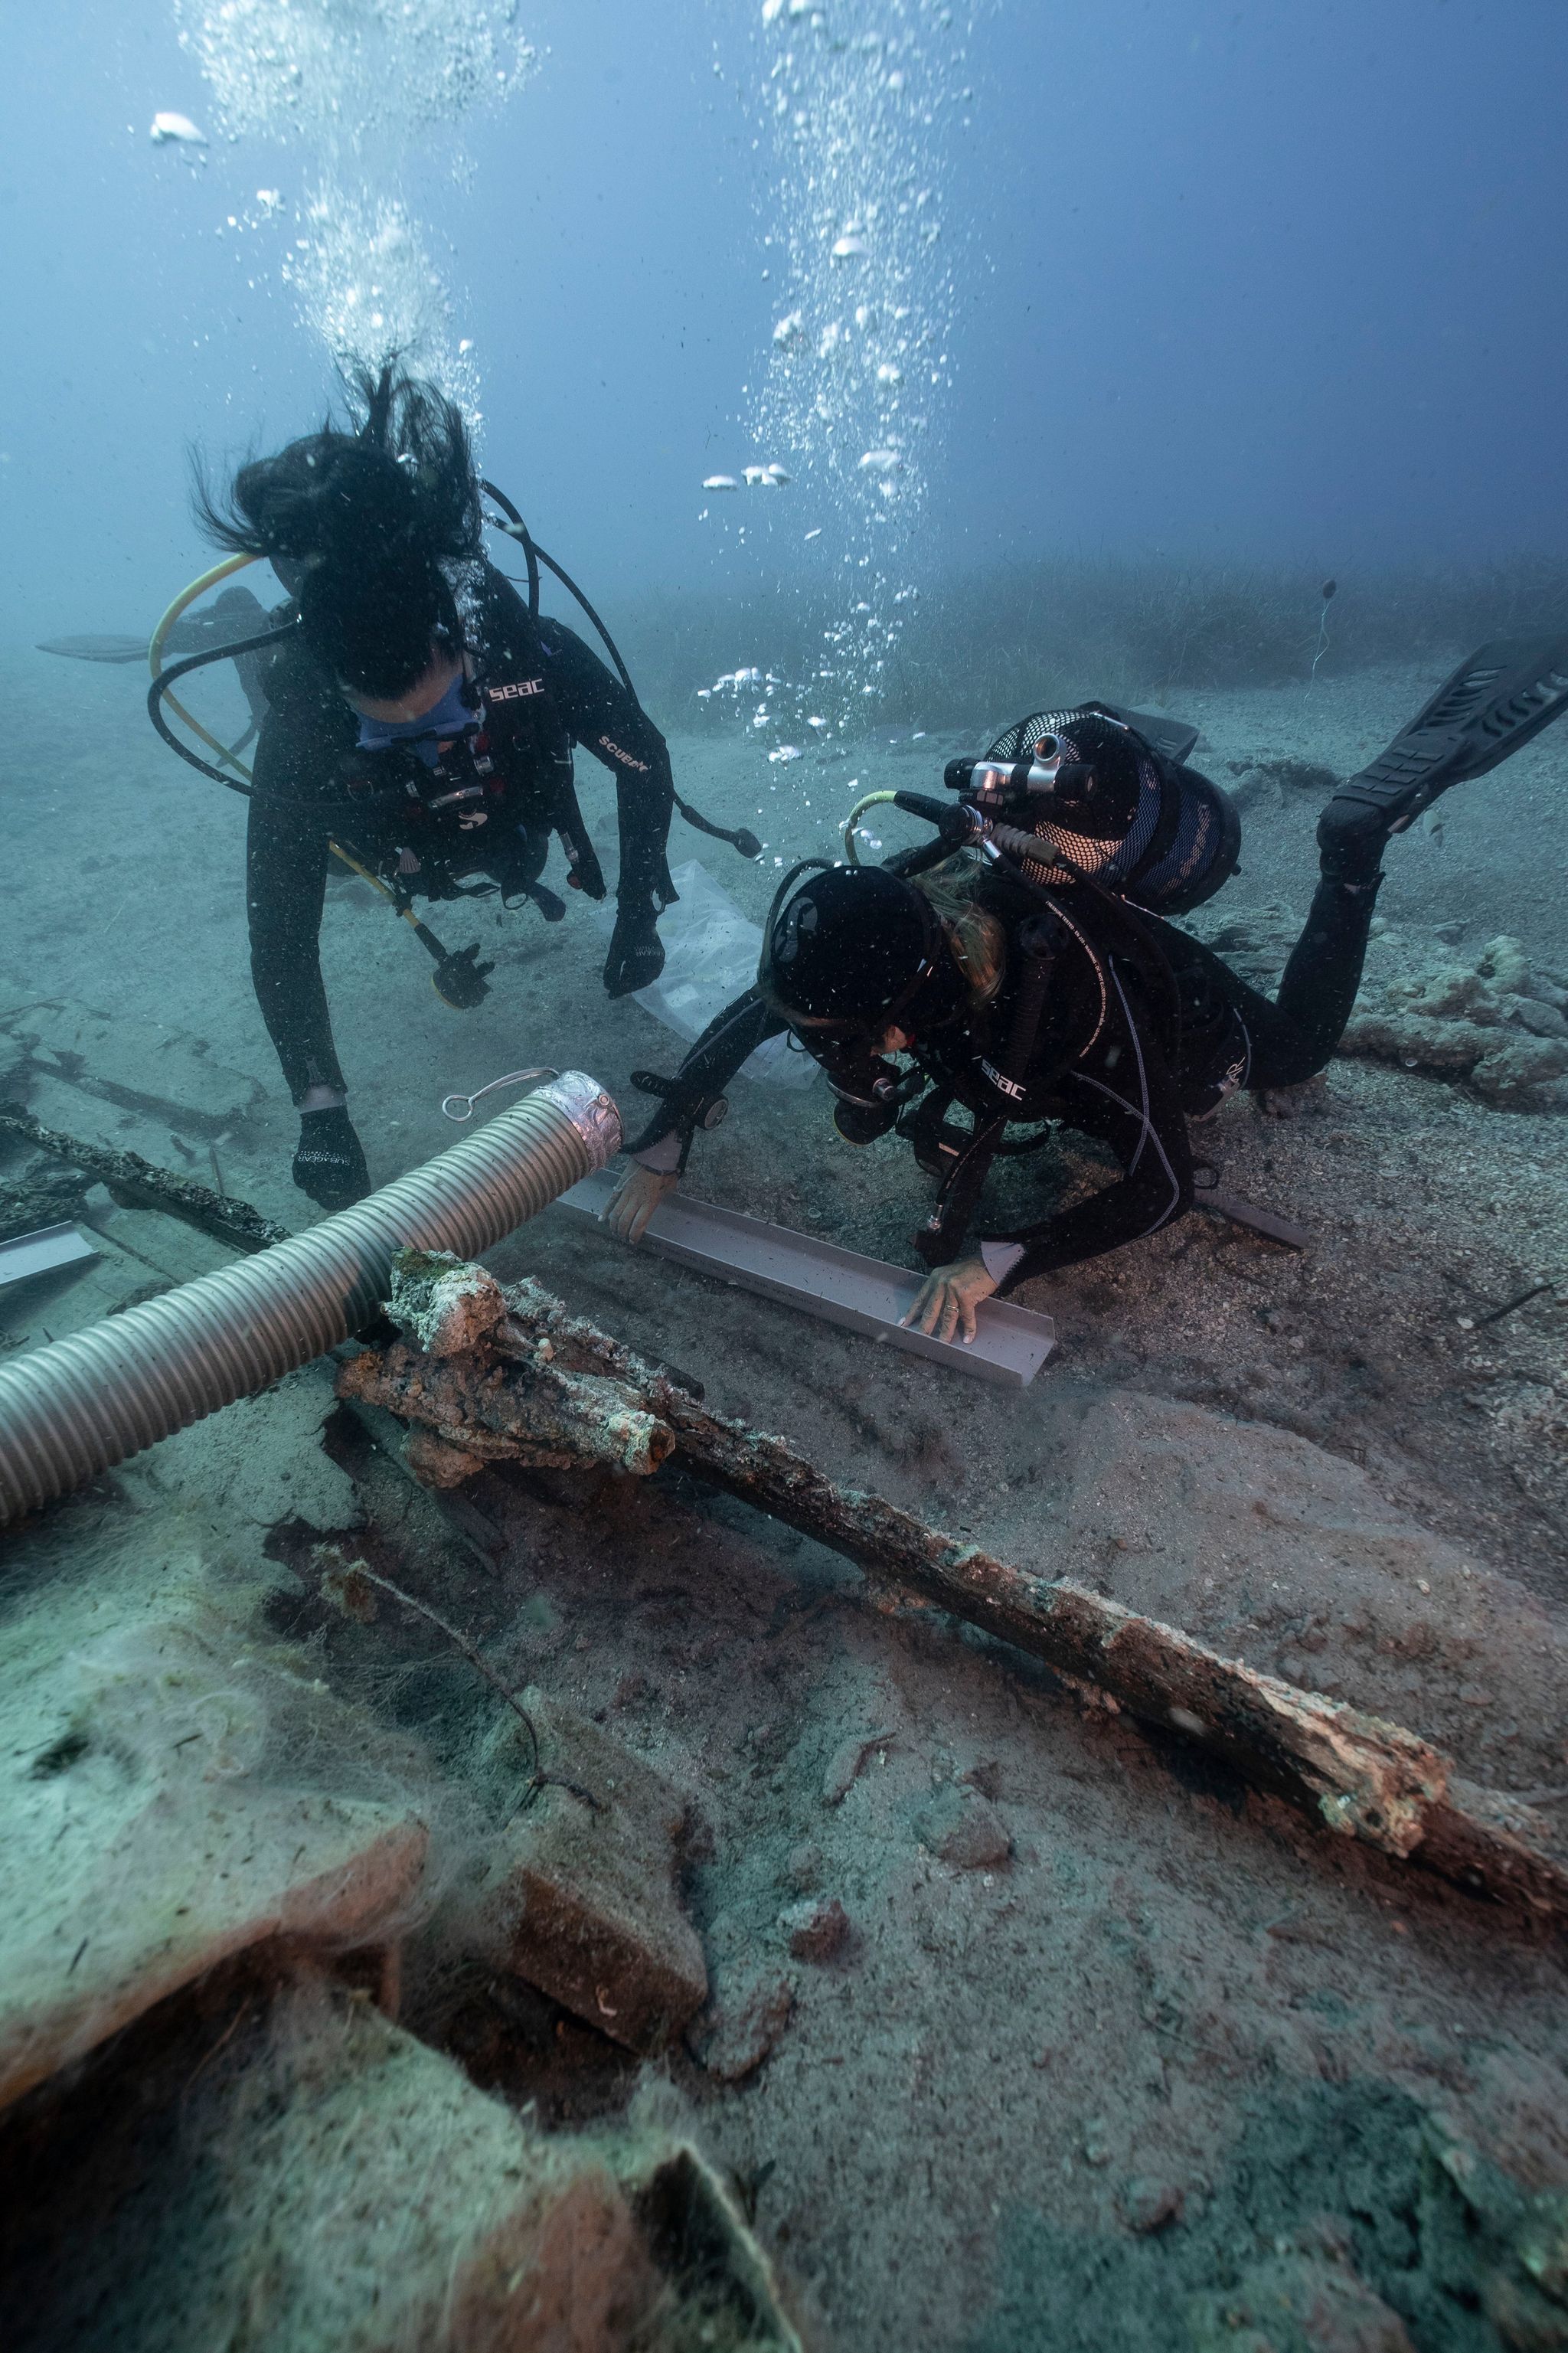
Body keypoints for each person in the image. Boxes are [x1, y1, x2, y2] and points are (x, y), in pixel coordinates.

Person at [605, 645, 1568, 1342]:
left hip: (1177, 1018)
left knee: (1298, 1051)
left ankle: (1351, 852)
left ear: (906, 1013)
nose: (833, 1054)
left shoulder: (1061, 1010)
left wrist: (1004, 1258)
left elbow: (1163, 1186)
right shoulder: (890, 911)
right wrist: (673, 1127)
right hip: (1043, 939)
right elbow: (769, 1003)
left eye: (848, 1039)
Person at [193, 365, 681, 1211]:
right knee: (332, 854)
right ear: (345, 701)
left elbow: (642, 756)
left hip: (507, 814)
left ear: (463, 644)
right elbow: (279, 929)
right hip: (382, 836)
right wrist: (320, 1109)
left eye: (449, 710)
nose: (430, 746)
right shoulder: (307, 717)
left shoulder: (517, 644)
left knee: (518, 848)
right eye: (392, 730)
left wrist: (638, 903)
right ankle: (246, 639)